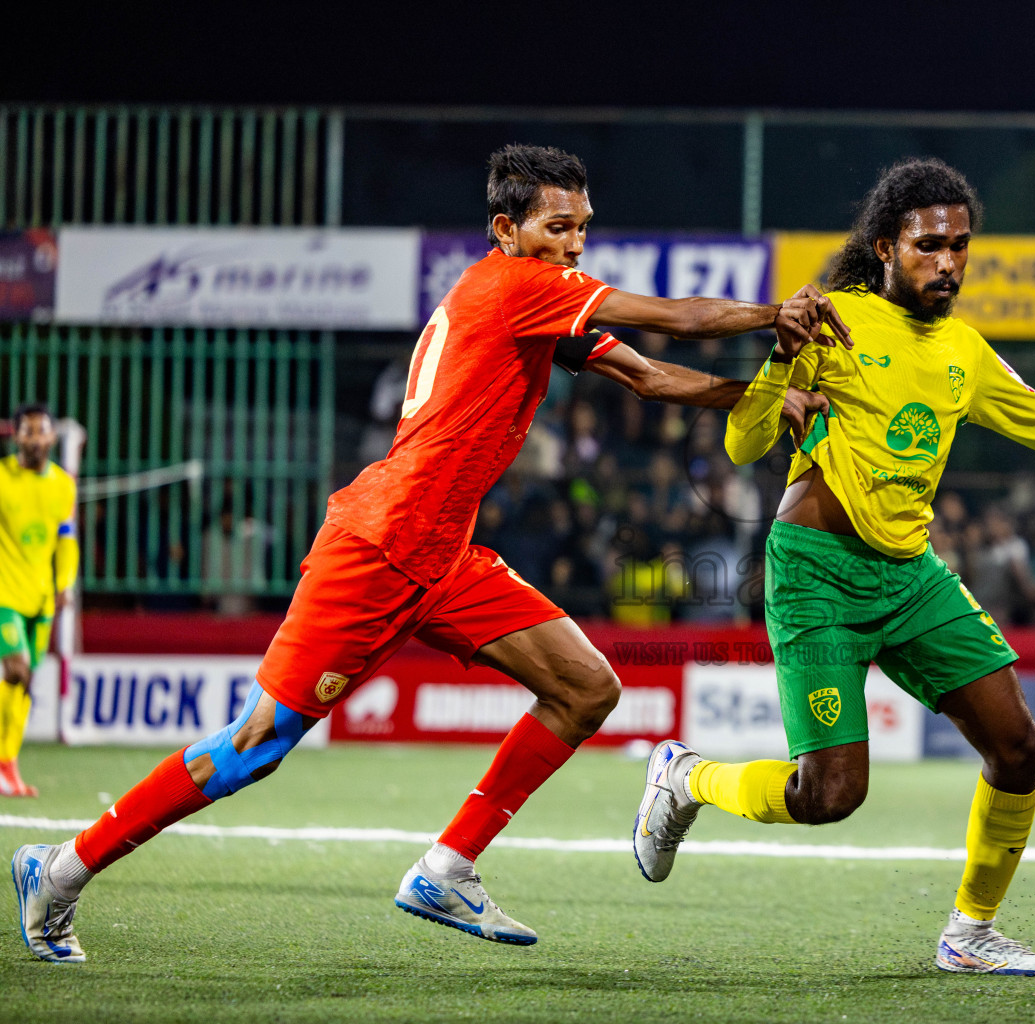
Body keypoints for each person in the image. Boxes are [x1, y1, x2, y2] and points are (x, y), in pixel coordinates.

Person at [11, 142, 847, 964]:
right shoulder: (518, 286)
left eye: (583, 227)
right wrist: (774, 313)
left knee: (586, 687)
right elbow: (682, 318)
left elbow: (652, 378)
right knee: (253, 745)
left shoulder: (537, 302)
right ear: (507, 230)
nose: (574, 244)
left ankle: (447, 869)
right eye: (558, 227)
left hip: (444, 555)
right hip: (379, 547)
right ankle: (61, 869)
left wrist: (767, 396)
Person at [629, 157, 1035, 978]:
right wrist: (779, 365)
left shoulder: (964, 351)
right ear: (886, 248)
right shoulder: (832, 321)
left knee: (1018, 746)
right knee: (829, 796)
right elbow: (742, 443)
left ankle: (970, 933)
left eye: (960, 246)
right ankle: (687, 778)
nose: (948, 262)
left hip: (910, 573)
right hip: (816, 574)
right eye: (929, 246)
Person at [0, 405, 79, 798]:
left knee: (25, 681)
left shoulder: (63, 485)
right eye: (27, 432)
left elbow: (67, 540)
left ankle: (7, 765)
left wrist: (64, 583)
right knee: (15, 670)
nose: (35, 439)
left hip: (42, 598)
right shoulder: (2, 478)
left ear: (52, 437)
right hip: (5, 595)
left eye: (41, 431)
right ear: (15, 436)